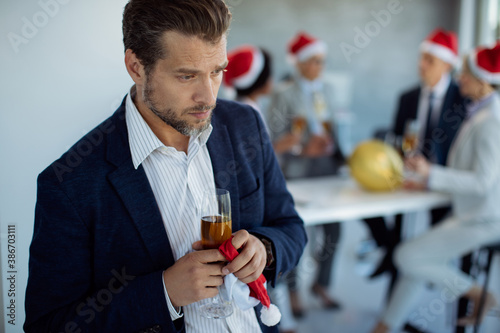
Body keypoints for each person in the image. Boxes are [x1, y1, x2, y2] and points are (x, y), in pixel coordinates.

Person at [23, 1, 307, 332]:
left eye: (217, 71)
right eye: (187, 76)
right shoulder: (70, 184)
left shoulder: (246, 125)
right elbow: (49, 325)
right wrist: (163, 293)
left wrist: (266, 249)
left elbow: (291, 226)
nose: (208, 96)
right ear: (136, 66)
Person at [372, 41, 500, 333]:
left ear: (481, 79)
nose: (459, 78)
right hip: (472, 211)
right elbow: (467, 174)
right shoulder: (480, 112)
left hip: (485, 218)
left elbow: (482, 182)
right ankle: (384, 327)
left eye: (465, 73)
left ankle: (479, 293)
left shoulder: (491, 120)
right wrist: (426, 181)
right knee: (418, 261)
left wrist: (431, 175)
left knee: (407, 255)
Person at [364, 28, 467, 280]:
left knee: (431, 240)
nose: (421, 65)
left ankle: (421, 265)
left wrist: (430, 175)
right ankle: (392, 252)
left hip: (443, 183)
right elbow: (397, 142)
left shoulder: (462, 100)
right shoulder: (407, 98)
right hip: (408, 178)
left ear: (447, 64)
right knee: (372, 208)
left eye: (429, 60)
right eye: (421, 58)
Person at [267, 31, 344, 318]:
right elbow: (273, 140)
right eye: (313, 61)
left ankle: (321, 285)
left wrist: (333, 144)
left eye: (322, 61)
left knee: (335, 230)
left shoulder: (328, 91)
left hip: (328, 169)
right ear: (299, 63)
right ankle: (294, 290)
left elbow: (333, 128)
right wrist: (301, 149)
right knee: (296, 231)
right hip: (298, 171)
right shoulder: (282, 94)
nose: (319, 67)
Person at [223, 45, 273, 122]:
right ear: (259, 81)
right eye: (269, 74)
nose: (271, 79)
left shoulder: (240, 108)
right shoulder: (249, 115)